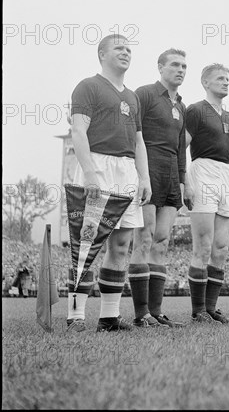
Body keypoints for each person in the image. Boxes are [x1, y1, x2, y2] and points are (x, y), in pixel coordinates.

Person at [68, 34, 151, 332]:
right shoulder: (88, 86)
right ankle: (76, 316)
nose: (126, 52)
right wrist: (89, 173)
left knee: (121, 245)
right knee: (87, 244)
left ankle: (109, 317)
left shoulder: (132, 96)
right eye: (119, 48)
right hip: (98, 165)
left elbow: (139, 141)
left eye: (129, 49)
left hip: (127, 170)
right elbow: (79, 132)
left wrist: (144, 178)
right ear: (102, 54)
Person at [128, 49, 187, 328]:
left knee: (162, 241)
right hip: (148, 170)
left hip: (172, 174)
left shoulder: (181, 106)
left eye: (184, 66)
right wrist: (139, 174)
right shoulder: (145, 94)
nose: (180, 70)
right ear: (160, 67)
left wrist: (183, 179)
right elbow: (131, 131)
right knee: (145, 237)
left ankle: (156, 311)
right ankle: (141, 315)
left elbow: (180, 148)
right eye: (175, 65)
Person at [184, 63, 229, 324]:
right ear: (205, 82)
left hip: (225, 175)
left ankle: (212, 307)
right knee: (203, 246)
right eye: (219, 78)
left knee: (221, 247)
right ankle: (198, 311)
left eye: (227, 78)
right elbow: (179, 147)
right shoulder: (195, 110)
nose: (225, 82)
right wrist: (186, 183)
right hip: (202, 170)